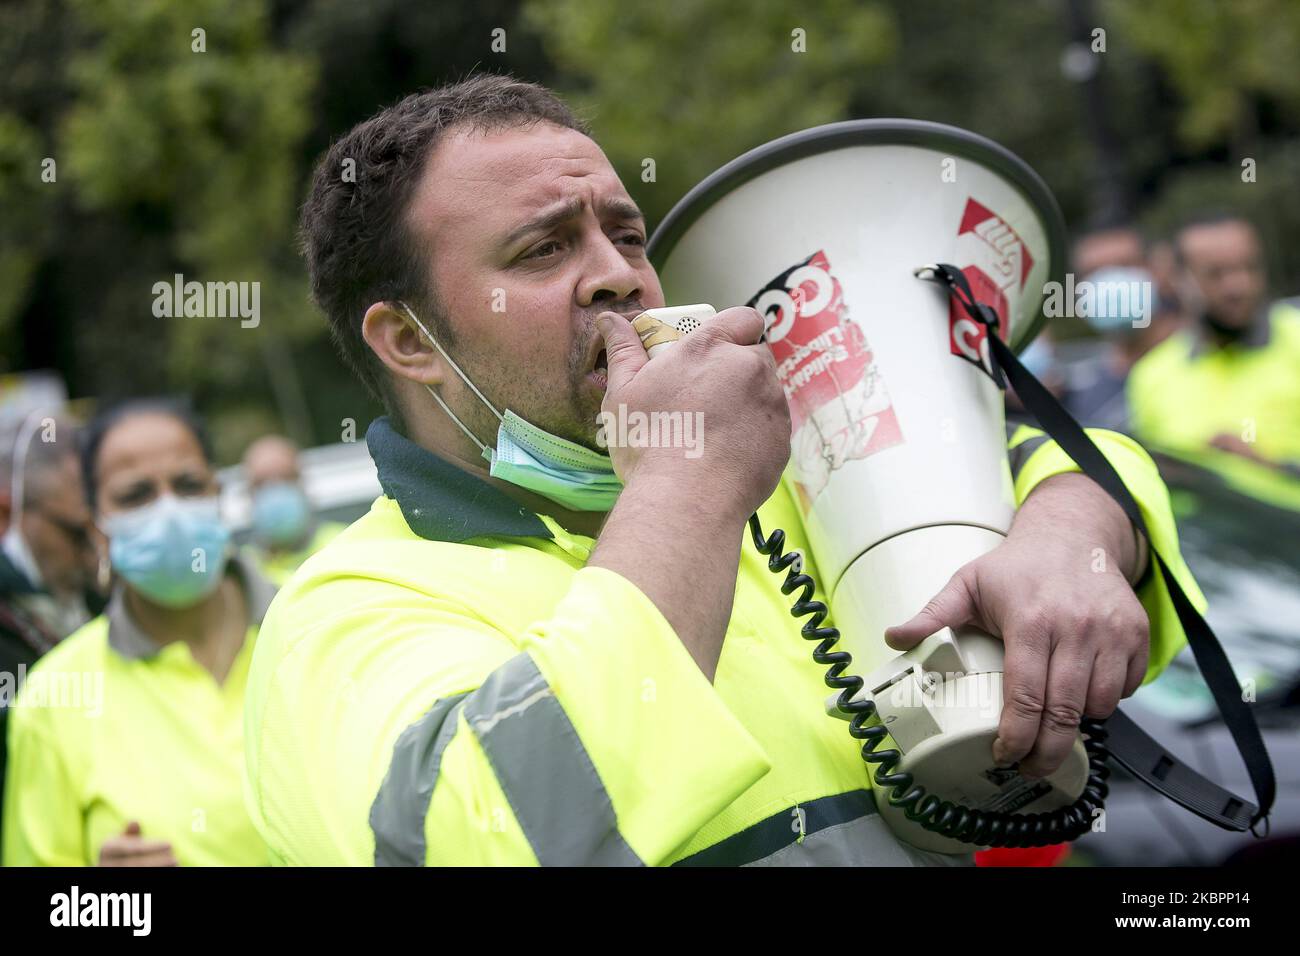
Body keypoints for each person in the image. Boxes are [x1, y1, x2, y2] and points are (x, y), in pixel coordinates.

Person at [244, 75, 1204, 866]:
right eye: (543, 249)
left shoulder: (768, 478)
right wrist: (684, 486)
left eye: (625, 234)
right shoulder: (343, 615)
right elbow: (487, 837)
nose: (621, 274)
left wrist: (1073, 530)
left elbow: (1053, 457)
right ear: (410, 340)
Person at [3, 399, 273, 866]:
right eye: (136, 495)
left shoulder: (318, 631)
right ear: (95, 522)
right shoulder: (52, 701)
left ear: (218, 491)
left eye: (188, 485)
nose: (168, 511)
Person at [1128, 212, 1300, 490]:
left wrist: (1274, 470)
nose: (1238, 285)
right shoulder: (1151, 376)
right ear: (1178, 280)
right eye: (1215, 274)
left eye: (1249, 267)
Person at [0, 414, 98, 845]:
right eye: (77, 533)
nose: (93, 552)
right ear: (15, 509)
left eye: (102, 528)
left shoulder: (108, 596)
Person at [1059, 225, 1182, 432]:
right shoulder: (1074, 387)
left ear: (1158, 270)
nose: (1110, 283)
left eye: (1124, 266)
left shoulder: (1203, 360)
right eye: (1094, 272)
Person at [241, 435, 344, 584]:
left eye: (286, 478)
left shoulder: (344, 543)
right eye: (261, 484)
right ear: (248, 494)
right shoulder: (244, 570)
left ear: (303, 483)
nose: (275, 491)